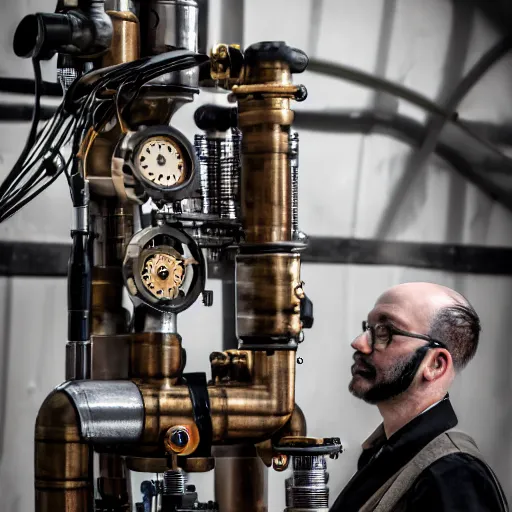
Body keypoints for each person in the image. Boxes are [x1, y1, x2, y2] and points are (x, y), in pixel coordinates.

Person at [330, 282, 508, 512]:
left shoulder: (452, 476)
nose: (359, 343)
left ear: (435, 365)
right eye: (369, 327)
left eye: (385, 331)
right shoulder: (386, 454)